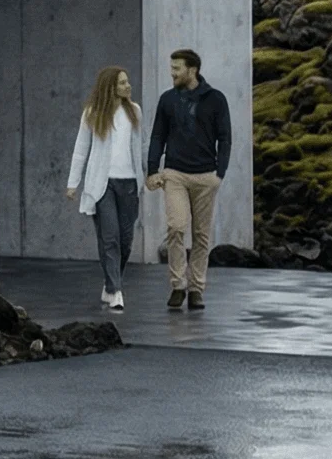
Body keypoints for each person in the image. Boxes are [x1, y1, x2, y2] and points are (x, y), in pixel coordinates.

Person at [145, 48, 231, 311]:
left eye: (176, 68)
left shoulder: (216, 99)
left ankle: (196, 289)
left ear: (192, 70)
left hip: (206, 175)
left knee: (201, 235)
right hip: (175, 174)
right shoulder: (167, 100)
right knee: (176, 228)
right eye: (171, 68)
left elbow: (225, 137)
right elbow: (157, 136)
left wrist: (220, 173)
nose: (172, 73)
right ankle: (177, 285)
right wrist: (151, 170)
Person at [63, 65, 144, 311]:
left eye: (127, 82)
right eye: (122, 83)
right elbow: (81, 149)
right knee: (110, 238)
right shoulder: (92, 113)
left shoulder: (135, 112)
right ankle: (116, 291)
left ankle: (110, 284)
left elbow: (142, 145)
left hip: (129, 183)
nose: (127, 86)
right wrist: (72, 183)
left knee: (126, 241)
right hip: (102, 185)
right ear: (110, 86)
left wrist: (150, 175)